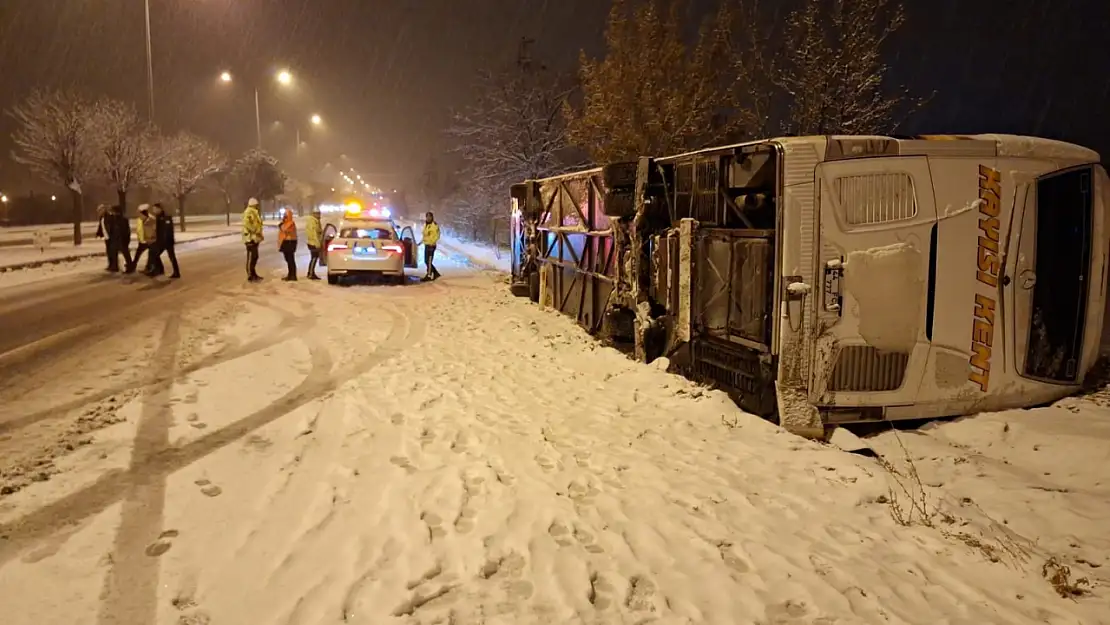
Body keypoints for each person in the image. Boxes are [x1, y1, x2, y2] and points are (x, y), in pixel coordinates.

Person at [152, 203, 180, 278]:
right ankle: (160, 270)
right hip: (161, 241)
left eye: (155, 209)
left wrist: (164, 240)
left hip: (167, 241)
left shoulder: (166, 217)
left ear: (159, 209)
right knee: (155, 255)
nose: (154, 210)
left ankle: (176, 273)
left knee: (171, 257)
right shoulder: (157, 217)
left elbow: (167, 230)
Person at [128, 204, 156, 274]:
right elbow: (139, 230)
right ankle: (133, 266)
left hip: (150, 240)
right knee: (138, 255)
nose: (138, 215)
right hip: (142, 241)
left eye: (139, 213)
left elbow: (154, 230)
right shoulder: (140, 219)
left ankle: (150, 268)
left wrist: (152, 238)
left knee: (152, 255)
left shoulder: (151, 219)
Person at [242, 198, 264, 281]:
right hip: (250, 238)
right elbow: (247, 223)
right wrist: (255, 230)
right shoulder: (248, 212)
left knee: (255, 256)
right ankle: (250, 275)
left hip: (255, 238)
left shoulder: (254, 212)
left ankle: (253, 273)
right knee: (251, 257)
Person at [107, 204, 132, 272]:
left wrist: (126, 239)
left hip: (121, 240)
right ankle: (116, 266)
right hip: (117, 239)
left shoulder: (122, 220)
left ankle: (129, 267)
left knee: (125, 254)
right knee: (116, 253)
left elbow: (126, 231)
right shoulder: (114, 219)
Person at [277, 208, 298, 281]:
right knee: (288, 259)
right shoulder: (285, 223)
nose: (284, 217)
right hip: (286, 242)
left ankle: (293, 275)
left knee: (290, 259)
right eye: (284, 215)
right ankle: (290, 274)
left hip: (290, 242)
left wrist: (281, 226)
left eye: (285, 216)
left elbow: (286, 230)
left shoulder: (291, 223)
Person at [421, 211, 442, 282]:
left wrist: (432, 242)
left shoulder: (434, 225)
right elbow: (425, 235)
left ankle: (429, 275)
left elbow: (437, 235)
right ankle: (435, 273)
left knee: (429, 261)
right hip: (426, 245)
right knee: (426, 261)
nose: (428, 218)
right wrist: (421, 242)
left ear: (432, 217)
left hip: (431, 246)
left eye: (430, 216)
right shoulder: (426, 225)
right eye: (427, 216)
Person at [305, 207, 322, 280]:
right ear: (314, 214)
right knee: (314, 258)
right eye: (317, 214)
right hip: (313, 243)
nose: (319, 215)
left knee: (314, 258)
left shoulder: (316, 221)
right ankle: (311, 273)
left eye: (319, 213)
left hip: (313, 242)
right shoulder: (312, 222)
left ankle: (311, 272)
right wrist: (317, 243)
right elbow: (314, 233)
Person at [94, 204, 112, 271]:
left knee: (112, 252)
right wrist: (98, 234)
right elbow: (101, 226)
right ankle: (110, 265)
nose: (99, 212)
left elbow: (111, 226)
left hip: (110, 237)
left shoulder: (109, 216)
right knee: (109, 252)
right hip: (106, 237)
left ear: (104, 210)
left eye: (100, 210)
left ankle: (113, 266)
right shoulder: (102, 217)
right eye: (98, 211)